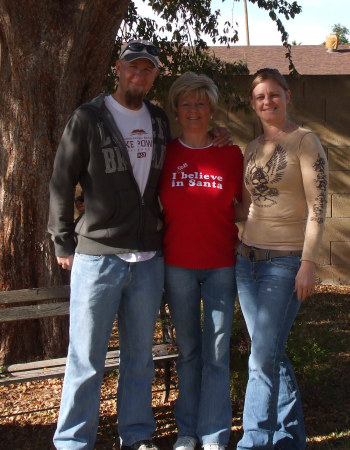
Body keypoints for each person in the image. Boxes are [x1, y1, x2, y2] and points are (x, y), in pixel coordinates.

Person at [48, 40, 232, 450]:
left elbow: (192, 143)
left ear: (154, 76)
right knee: (86, 358)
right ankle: (74, 441)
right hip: (99, 256)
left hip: (148, 259)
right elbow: (62, 181)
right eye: (133, 66)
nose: (139, 74)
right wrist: (63, 241)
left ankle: (135, 436)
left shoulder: (157, 119)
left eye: (148, 69)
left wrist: (221, 132)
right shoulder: (89, 117)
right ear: (119, 67)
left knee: (139, 359)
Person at [234, 68, 328, 450]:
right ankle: (290, 439)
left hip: (285, 263)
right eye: (260, 97)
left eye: (274, 94)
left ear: (287, 96)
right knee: (268, 352)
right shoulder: (252, 148)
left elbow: (320, 206)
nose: (267, 102)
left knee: (261, 358)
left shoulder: (306, 141)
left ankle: (253, 443)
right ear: (253, 104)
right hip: (247, 261)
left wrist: (308, 262)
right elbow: (243, 207)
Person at [159, 72, 244, 450]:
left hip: (221, 265)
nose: (194, 110)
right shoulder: (166, 153)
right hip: (177, 265)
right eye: (186, 103)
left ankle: (213, 434)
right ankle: (187, 432)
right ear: (176, 110)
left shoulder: (231, 153)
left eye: (201, 103)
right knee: (189, 351)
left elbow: (245, 207)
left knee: (217, 351)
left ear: (211, 108)